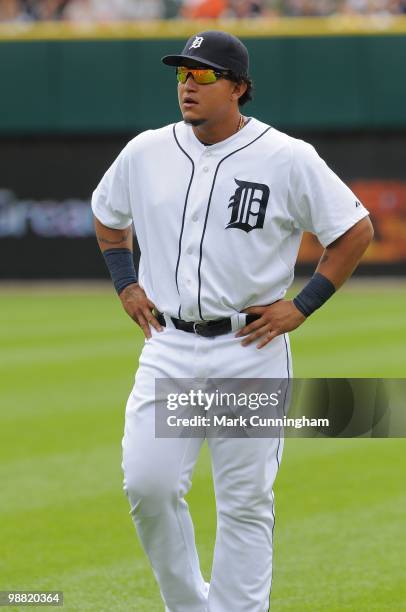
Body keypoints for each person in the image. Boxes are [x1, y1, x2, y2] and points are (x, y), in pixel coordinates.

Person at [91, 30, 374, 612]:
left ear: (239, 88)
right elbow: (107, 216)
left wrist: (302, 304)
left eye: (204, 76)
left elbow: (354, 230)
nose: (188, 86)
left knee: (244, 500)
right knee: (148, 486)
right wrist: (126, 283)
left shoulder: (287, 157)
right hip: (169, 344)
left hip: (248, 349)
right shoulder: (146, 150)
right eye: (181, 75)